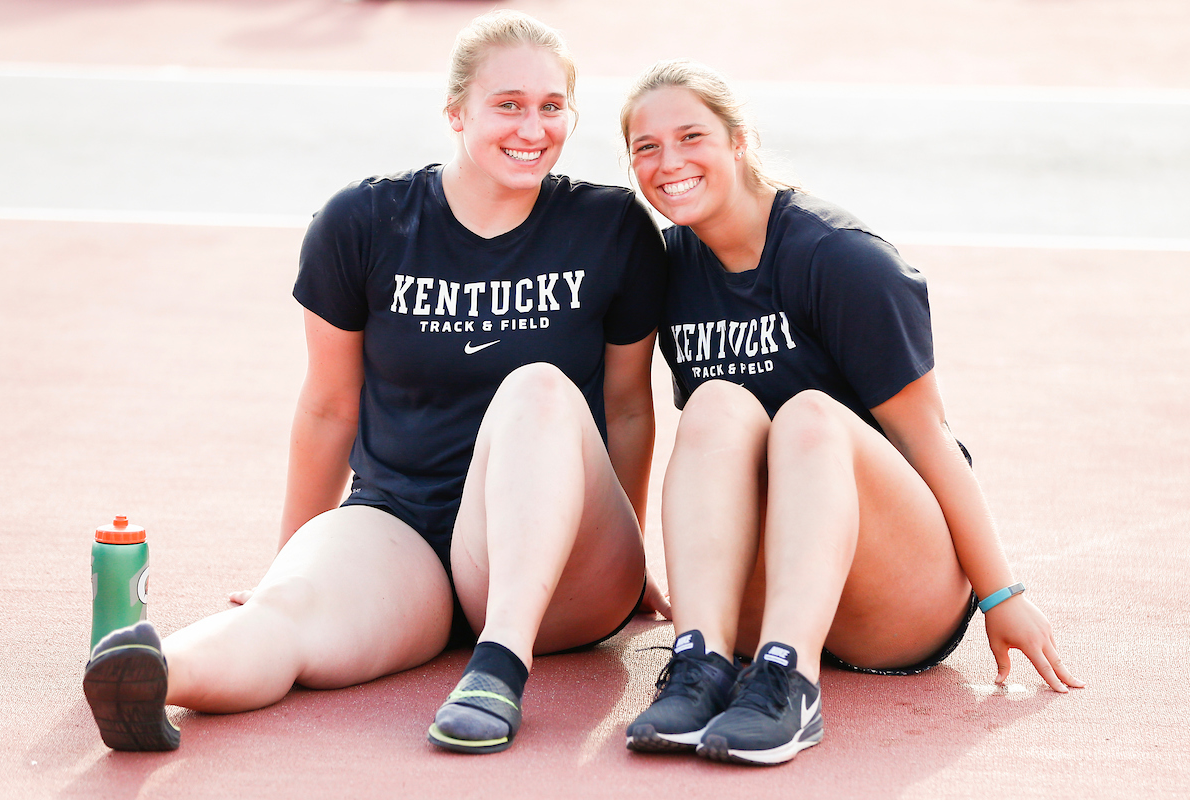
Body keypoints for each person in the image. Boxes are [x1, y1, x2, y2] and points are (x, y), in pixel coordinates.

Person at [81, 10, 670, 756]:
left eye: (553, 106)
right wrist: (294, 553)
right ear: (456, 111)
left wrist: (626, 548)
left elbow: (625, 406)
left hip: (561, 564)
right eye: (509, 104)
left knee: (539, 389)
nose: (533, 126)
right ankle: (155, 673)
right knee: (287, 613)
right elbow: (329, 406)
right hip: (403, 533)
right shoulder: (363, 223)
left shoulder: (611, 227)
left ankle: (500, 663)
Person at [616, 60, 1082, 766]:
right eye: (646, 147)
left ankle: (789, 684)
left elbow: (929, 438)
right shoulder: (670, 267)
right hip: (773, 575)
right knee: (712, 405)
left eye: (690, 136)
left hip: (895, 594)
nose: (668, 161)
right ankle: (703, 665)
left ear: (739, 141)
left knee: (811, 416)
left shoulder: (839, 259)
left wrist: (1001, 594)